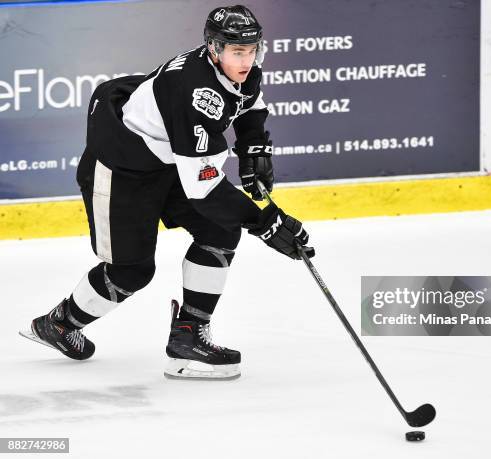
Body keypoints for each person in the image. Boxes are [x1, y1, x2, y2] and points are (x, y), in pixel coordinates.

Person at [19, 5, 313, 380]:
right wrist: (267, 223)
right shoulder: (194, 92)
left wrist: (254, 147)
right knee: (130, 272)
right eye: (237, 52)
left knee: (220, 230)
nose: (247, 59)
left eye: (252, 49)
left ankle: (188, 337)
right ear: (213, 48)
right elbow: (205, 189)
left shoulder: (241, 69)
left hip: (166, 160)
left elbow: (250, 103)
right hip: (121, 169)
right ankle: (58, 324)